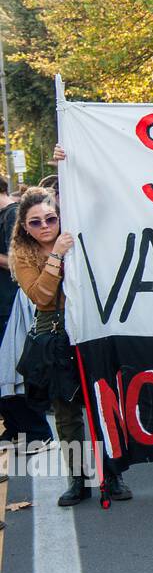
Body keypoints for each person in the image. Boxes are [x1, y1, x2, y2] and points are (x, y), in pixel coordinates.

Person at [10, 186, 131, 505]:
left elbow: (106, 203)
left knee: (101, 403)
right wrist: (56, 256)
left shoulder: (80, 235)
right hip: (53, 335)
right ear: (25, 226)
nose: (45, 226)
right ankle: (78, 480)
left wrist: (74, 158)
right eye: (36, 222)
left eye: (51, 218)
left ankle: (113, 474)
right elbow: (41, 296)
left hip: (91, 327)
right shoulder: (22, 255)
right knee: (66, 411)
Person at [0, 174, 53, 449]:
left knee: (16, 371)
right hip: (10, 306)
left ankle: (36, 431)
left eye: (49, 220)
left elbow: (23, 262)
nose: (44, 225)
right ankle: (17, 428)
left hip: (14, 308)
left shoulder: (11, 217)